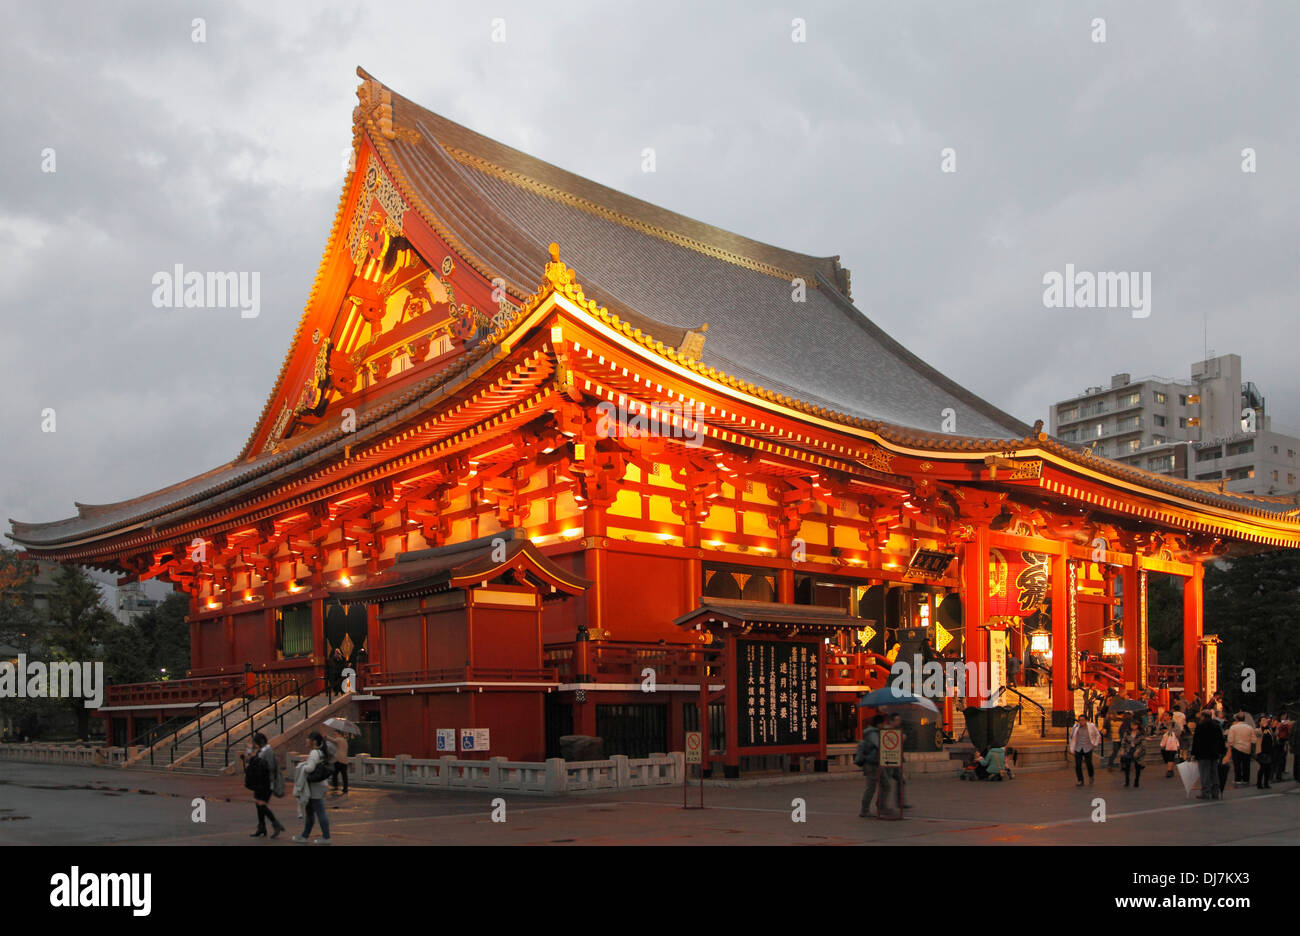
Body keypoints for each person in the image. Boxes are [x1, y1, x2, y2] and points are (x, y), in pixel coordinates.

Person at [242, 731, 285, 838]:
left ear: (260, 742)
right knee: (258, 803)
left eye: (255, 743)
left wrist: (257, 762)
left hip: (266, 782)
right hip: (259, 782)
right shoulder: (261, 751)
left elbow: (269, 767)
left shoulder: (268, 751)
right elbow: (252, 758)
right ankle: (261, 827)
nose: (254, 745)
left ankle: (275, 824)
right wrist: (249, 750)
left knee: (261, 803)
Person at [293, 732, 333, 844]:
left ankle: (326, 837)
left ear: (314, 741)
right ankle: (305, 835)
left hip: (315, 787)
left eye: (308, 739)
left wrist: (302, 766)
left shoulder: (314, 752)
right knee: (310, 811)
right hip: (319, 785)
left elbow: (310, 769)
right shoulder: (320, 752)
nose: (306, 741)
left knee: (320, 811)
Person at [1191, 710, 1227, 800]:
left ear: (1203, 716)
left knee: (1204, 773)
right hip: (1214, 753)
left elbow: (1196, 741)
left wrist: (1194, 753)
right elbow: (1220, 740)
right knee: (1214, 772)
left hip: (1203, 753)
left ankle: (1205, 792)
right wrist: (1222, 751)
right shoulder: (1216, 726)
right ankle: (1215, 792)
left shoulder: (1200, 726)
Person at [854, 715, 884, 818]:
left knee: (884, 784)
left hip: (875, 763)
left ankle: (880, 805)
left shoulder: (874, 733)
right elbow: (879, 745)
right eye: (883, 723)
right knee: (870, 788)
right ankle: (864, 810)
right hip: (871, 763)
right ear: (878, 724)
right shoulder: (873, 734)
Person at [884, 713, 911, 811]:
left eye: (899, 720)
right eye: (896, 720)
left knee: (901, 780)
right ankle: (882, 804)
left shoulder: (898, 731)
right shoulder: (886, 731)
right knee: (886, 784)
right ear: (891, 721)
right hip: (887, 760)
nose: (898, 722)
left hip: (896, 760)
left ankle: (900, 802)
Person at [1068, 714, 1101, 787]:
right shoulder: (1076, 727)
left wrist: (1095, 743)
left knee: (1089, 763)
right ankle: (1080, 780)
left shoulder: (1091, 726)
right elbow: (1071, 736)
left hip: (1087, 747)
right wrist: (1072, 745)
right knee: (1078, 765)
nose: (1081, 722)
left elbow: (1097, 735)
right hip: (1078, 748)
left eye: (1083, 720)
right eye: (1080, 720)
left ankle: (1091, 775)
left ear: (1086, 721)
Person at [1226, 713, 1254, 785]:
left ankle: (1238, 779)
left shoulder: (1233, 727)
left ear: (1237, 719)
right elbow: (1253, 739)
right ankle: (1246, 779)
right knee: (1246, 764)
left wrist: (1231, 745)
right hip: (1247, 748)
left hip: (1236, 747)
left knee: (1237, 764)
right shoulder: (1249, 727)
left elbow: (1230, 739)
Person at [1121, 723, 1146, 788]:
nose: (1133, 726)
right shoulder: (1127, 732)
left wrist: (1138, 751)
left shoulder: (1140, 734)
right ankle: (1127, 781)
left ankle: (1136, 781)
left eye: (1134, 725)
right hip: (1129, 749)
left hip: (1137, 749)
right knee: (1127, 766)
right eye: (1132, 725)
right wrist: (1123, 749)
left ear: (1137, 726)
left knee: (1137, 766)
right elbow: (1124, 741)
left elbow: (1143, 744)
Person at [329, 730, 350, 795]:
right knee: (344, 775)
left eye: (335, 734)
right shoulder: (345, 740)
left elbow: (333, 740)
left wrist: (326, 736)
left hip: (338, 760)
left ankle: (335, 786)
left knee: (334, 773)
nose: (335, 736)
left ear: (339, 734)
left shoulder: (339, 739)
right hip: (344, 760)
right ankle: (345, 788)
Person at [1256, 717, 1275, 790]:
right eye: (1263, 720)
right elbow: (1258, 736)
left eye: (1265, 720)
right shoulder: (1258, 730)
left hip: (1269, 751)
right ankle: (1259, 783)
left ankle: (1266, 783)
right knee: (1262, 767)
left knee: (1268, 768)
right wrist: (1263, 728)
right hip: (1261, 751)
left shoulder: (1269, 729)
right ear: (1259, 722)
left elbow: (1273, 737)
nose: (1265, 721)